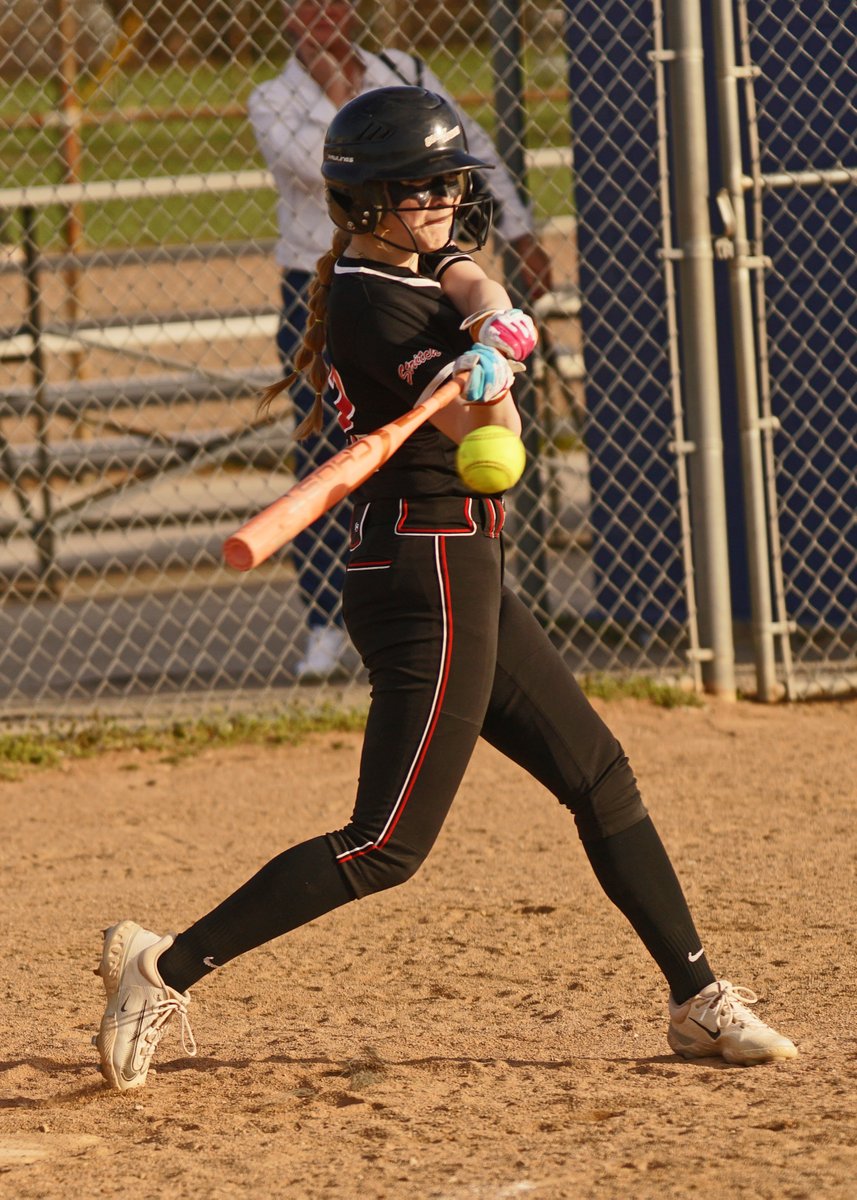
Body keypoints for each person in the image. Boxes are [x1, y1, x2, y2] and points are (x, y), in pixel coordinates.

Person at [94, 87, 797, 1092]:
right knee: (384, 844)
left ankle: (696, 999)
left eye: (444, 181)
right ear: (365, 201)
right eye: (416, 186)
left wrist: (488, 316)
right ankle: (161, 967)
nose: (438, 199)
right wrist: (491, 381)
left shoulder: (407, 269)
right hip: (424, 572)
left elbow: (460, 272)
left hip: (456, 566)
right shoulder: (371, 307)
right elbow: (493, 452)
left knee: (595, 774)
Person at [248, 0, 552, 680]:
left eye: (335, 1)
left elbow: (459, 161)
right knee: (328, 452)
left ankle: (436, 589)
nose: (322, 13)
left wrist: (508, 255)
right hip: (323, 287)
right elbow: (319, 167)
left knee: (422, 459)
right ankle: (326, 620)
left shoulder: (405, 70)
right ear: (288, 17)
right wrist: (341, 95)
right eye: (306, 5)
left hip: (417, 273)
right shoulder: (273, 98)